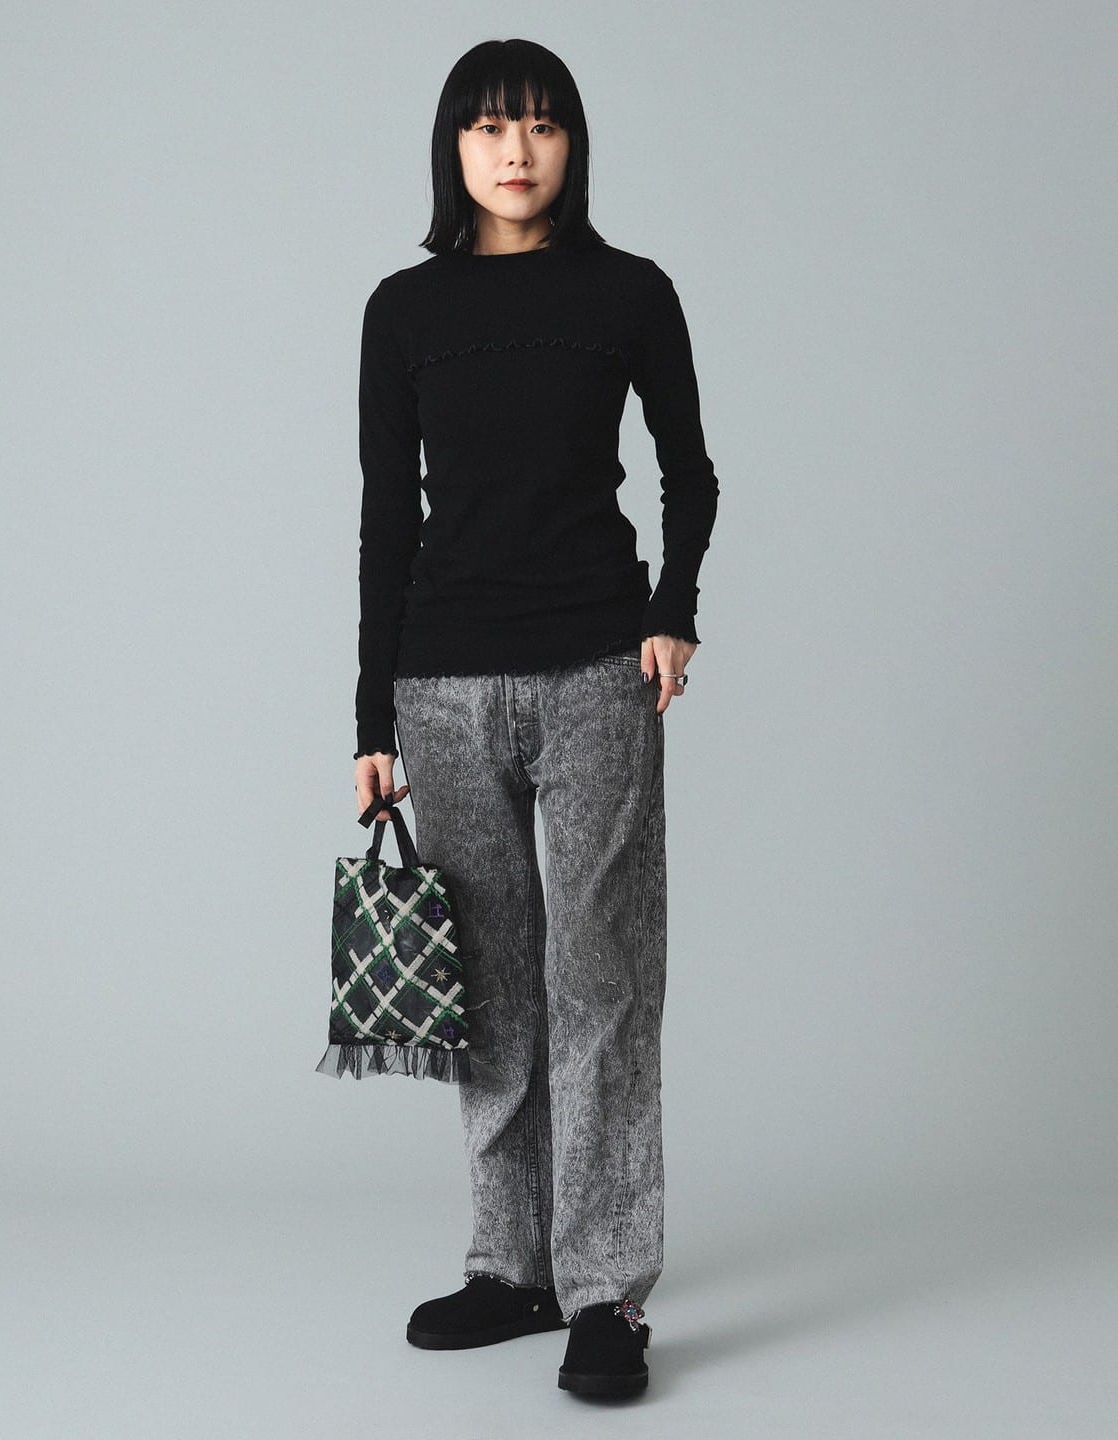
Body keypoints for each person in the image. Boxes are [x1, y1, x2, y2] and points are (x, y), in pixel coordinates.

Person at [342, 38, 718, 1397]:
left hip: (597, 671)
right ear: (453, 146)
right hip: (443, 684)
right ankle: (512, 1268)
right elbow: (387, 518)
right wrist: (372, 717)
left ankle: (606, 1294)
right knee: (490, 991)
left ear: (573, 145)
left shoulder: (629, 292)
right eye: (491, 126)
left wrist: (672, 610)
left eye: (543, 125)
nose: (517, 151)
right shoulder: (403, 309)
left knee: (604, 981)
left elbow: (690, 470)